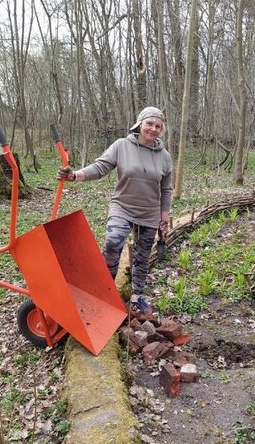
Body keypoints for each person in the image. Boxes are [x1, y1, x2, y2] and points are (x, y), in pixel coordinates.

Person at [57, 106, 173, 313]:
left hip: (149, 212)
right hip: (122, 206)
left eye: (158, 126)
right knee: (113, 241)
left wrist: (164, 217)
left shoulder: (164, 156)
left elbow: (166, 189)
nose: (153, 129)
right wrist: (76, 175)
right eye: (149, 123)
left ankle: (137, 295)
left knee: (142, 255)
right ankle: (106, 289)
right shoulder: (121, 145)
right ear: (140, 124)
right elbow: (100, 167)